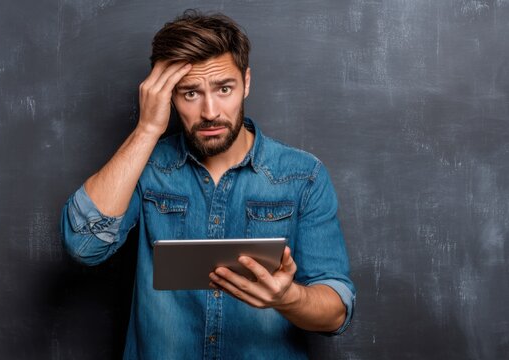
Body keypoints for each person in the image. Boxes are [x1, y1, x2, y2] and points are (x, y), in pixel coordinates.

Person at [60, 10, 355, 360]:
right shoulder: (145, 167)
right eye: (189, 94)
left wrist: (287, 298)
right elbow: (83, 245)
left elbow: (337, 311)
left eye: (224, 88)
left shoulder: (303, 176)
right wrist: (146, 130)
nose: (211, 111)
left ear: (246, 82)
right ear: (166, 95)